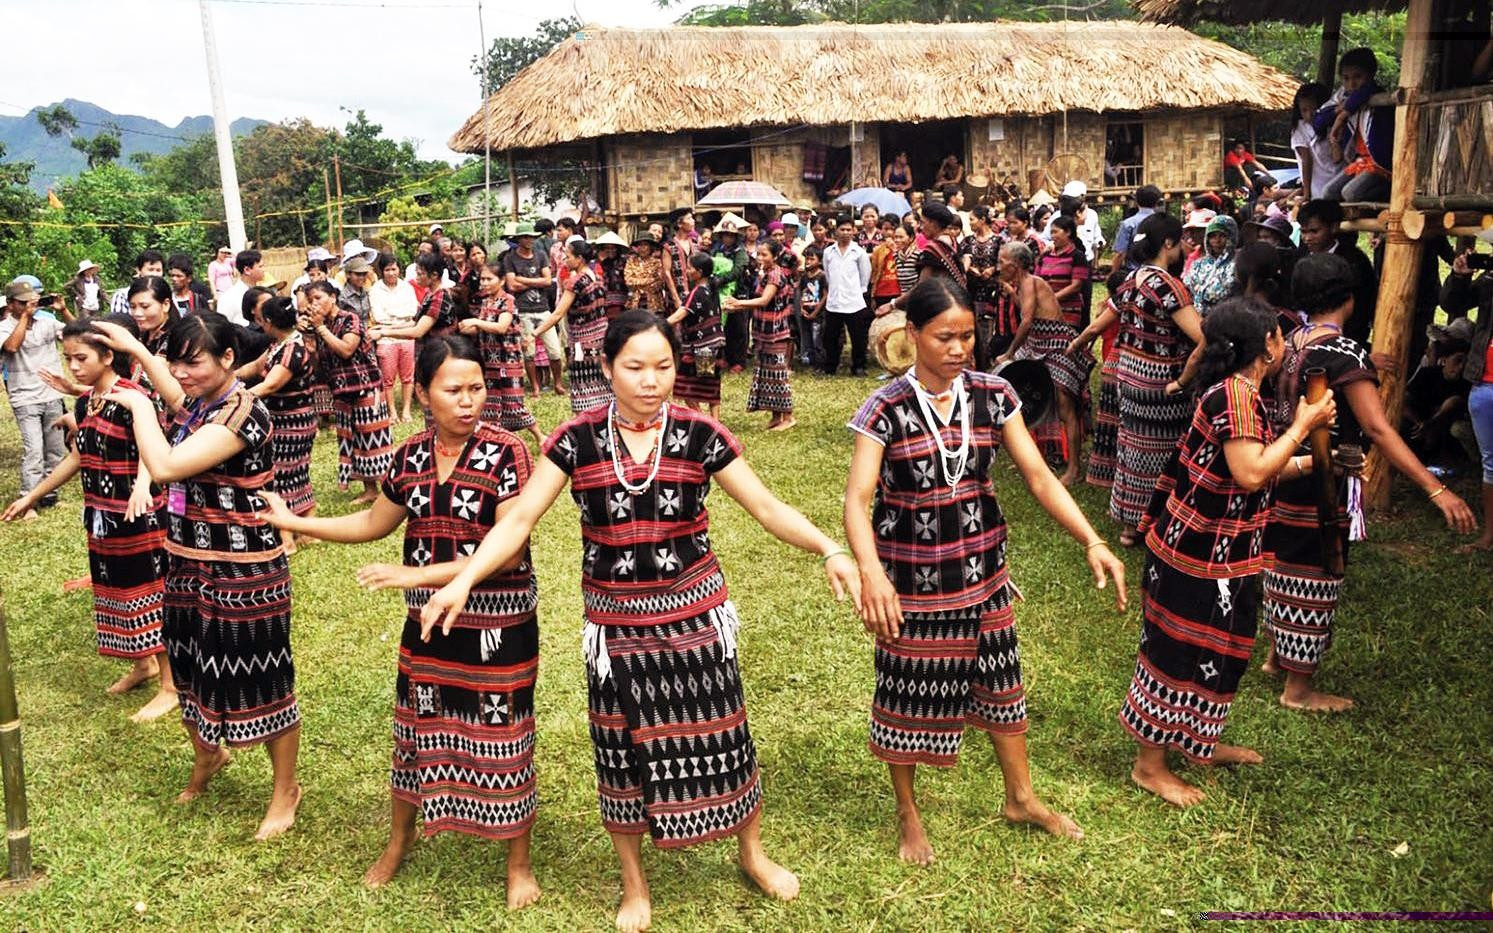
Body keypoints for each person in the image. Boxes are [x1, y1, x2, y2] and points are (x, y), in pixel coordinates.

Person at [420, 311, 859, 932]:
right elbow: (516, 523)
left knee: (725, 737)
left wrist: (829, 548)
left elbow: (764, 505)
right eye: (634, 367)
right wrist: (464, 577)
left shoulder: (702, 433)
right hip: (615, 626)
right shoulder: (574, 440)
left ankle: (753, 854)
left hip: (696, 613)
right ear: (606, 368)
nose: (651, 381)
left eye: (663, 367)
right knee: (619, 752)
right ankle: (634, 883)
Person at [844, 275, 1125, 860]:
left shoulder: (993, 393)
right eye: (944, 336)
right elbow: (858, 500)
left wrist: (1092, 539)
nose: (958, 348)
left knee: (1002, 686)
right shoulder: (885, 407)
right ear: (912, 333)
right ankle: (907, 810)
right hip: (911, 579)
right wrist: (871, 573)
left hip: (982, 570)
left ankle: (1020, 797)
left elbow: (1039, 475)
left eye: (967, 336)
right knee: (906, 692)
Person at [256, 336, 543, 905]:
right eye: (453, 389)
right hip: (430, 627)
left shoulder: (510, 452)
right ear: (425, 392)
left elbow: (508, 550)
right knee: (415, 730)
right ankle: (398, 840)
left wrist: (417, 576)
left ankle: (518, 862)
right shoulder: (410, 454)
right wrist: (298, 523)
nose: (468, 401)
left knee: (505, 735)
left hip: (498, 624)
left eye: (476, 388)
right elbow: (374, 521)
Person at [93, 312, 301, 841]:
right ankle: (209, 756)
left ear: (228, 360)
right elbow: (179, 401)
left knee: (262, 678)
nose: (180, 373)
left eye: (193, 362)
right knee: (188, 670)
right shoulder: (206, 402)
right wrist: (139, 354)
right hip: (186, 561)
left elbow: (163, 466)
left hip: (245, 573)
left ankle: (285, 790)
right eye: (175, 361)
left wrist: (137, 400)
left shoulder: (242, 414)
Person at [1121, 297, 1336, 807]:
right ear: (1267, 345)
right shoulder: (1236, 397)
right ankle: (1149, 766)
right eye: (1280, 335)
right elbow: (1252, 472)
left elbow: (1255, 464)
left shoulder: (1239, 393)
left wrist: (1311, 464)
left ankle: (1196, 742)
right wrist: (1303, 426)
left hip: (1217, 552)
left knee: (1218, 652)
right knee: (1178, 652)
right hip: (1196, 557)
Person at [1261, 254, 1476, 712]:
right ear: (1351, 298)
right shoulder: (1342, 351)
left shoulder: (1292, 339)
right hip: (1324, 474)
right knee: (1318, 571)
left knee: (1282, 562)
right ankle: (1298, 690)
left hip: (1283, 468)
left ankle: (1278, 657)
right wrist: (1436, 489)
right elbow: (1378, 428)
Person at [2, 313, 176, 720]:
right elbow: (79, 457)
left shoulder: (134, 396)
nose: (74, 366)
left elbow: (156, 446)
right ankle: (142, 663)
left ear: (108, 356)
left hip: (140, 514)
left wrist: (140, 484)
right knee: (116, 592)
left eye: (81, 358)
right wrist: (34, 494)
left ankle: (170, 684)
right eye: (69, 359)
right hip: (102, 515)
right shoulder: (87, 401)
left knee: (148, 593)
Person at [1068, 212, 1205, 546]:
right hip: (1162, 384)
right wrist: (1184, 381)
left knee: (1132, 452)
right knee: (1162, 455)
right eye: (1180, 242)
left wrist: (1074, 345)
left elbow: (1098, 324)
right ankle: (1158, 525)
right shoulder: (1169, 286)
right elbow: (1203, 337)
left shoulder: (1132, 280)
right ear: (1169, 243)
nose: (1185, 248)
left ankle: (1131, 527)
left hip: (1129, 381)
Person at [997, 242, 1091, 485]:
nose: (998, 266)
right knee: (1024, 395)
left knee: (1064, 406)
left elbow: (1027, 320)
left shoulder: (1032, 282)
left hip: (1056, 343)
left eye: (1001, 262)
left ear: (1015, 265)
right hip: (1038, 342)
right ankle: (1038, 456)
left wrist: (1009, 352)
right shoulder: (1025, 284)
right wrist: (1011, 292)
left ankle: (1073, 469)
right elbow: (1030, 311)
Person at [303, 280, 394, 504]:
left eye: (318, 298)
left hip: (365, 388)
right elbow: (320, 365)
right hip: (342, 391)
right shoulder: (321, 326)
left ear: (333, 297)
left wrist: (320, 329)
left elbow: (346, 350)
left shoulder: (350, 319)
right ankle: (370, 489)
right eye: (310, 300)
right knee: (353, 441)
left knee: (374, 440)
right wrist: (312, 348)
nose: (314, 304)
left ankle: (391, 490)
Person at [248, 297, 317, 549]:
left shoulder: (291, 350)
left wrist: (237, 397)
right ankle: (309, 531)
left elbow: (271, 384)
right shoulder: (280, 345)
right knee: (296, 474)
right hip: (291, 421)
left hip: (292, 423)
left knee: (280, 478)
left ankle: (287, 539)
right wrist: (228, 378)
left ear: (268, 322)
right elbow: (254, 368)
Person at [1440, 242, 1493, 552]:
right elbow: (1451, 304)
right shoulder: (1488, 281)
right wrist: (1459, 276)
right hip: (1484, 382)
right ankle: (1489, 537)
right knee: (1490, 465)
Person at [1, 280, 68, 513]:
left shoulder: (47, 322)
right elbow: (11, 347)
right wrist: (24, 318)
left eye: (32, 302)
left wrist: (64, 310)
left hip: (51, 393)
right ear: (10, 304)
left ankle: (49, 493)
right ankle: (27, 501)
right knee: (34, 451)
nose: (29, 307)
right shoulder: (4, 326)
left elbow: (78, 333)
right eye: (22, 303)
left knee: (56, 450)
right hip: (25, 397)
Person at [458, 261, 541, 445]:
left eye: (489, 279)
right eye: (482, 279)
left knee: (513, 404)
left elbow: (501, 327)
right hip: (489, 361)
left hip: (508, 360)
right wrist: (467, 328)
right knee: (491, 404)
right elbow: (484, 328)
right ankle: (496, 441)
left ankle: (539, 436)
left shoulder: (508, 300)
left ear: (502, 280)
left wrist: (476, 322)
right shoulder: (487, 301)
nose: (484, 283)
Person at [725, 241, 797, 431]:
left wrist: (738, 303)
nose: (760, 258)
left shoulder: (775, 274)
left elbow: (765, 300)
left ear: (775, 256)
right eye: (759, 254)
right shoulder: (765, 273)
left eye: (765, 255)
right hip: (764, 330)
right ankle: (776, 416)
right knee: (767, 373)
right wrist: (736, 306)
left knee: (778, 374)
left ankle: (788, 417)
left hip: (775, 330)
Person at [535, 239, 612, 415]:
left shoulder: (575, 282)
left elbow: (557, 314)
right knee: (603, 383)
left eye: (568, 256)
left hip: (582, 343)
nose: (564, 260)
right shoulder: (597, 278)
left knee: (583, 388)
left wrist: (535, 333)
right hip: (601, 339)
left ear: (579, 258)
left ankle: (585, 426)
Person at [1317, 48, 1393, 203]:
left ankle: (1390, 191)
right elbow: (1318, 121)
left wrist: (1344, 113)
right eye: (1346, 78)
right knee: (1328, 193)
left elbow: (1368, 89)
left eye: (1358, 77)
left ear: (1371, 74)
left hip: (1380, 164)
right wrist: (1339, 110)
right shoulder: (1344, 97)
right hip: (1360, 163)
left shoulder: (1376, 95)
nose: (1351, 83)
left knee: (1350, 194)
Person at [1296, 199, 1376, 345]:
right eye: (1303, 232)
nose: (1307, 238)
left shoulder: (1354, 261)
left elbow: (1362, 307)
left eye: (1314, 231)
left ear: (1334, 227)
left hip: (1346, 338)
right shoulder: (1299, 257)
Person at [502, 224, 563, 395]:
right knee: (528, 353)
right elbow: (512, 285)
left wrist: (523, 279)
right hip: (523, 309)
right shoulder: (510, 258)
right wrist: (536, 280)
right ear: (519, 239)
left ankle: (557, 383)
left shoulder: (540, 255)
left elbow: (548, 281)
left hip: (543, 308)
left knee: (555, 351)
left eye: (531, 237)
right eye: (526, 237)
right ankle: (535, 386)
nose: (529, 240)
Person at [667, 252, 726, 418]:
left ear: (699, 272)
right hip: (714, 344)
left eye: (690, 267)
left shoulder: (697, 292)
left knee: (684, 387)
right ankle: (714, 422)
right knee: (710, 388)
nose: (686, 270)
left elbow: (680, 315)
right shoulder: (711, 289)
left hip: (701, 347)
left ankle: (704, 421)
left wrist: (657, 325)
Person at [370, 253, 420, 423]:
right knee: (388, 378)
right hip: (386, 339)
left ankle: (406, 410)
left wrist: (393, 320)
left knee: (408, 376)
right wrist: (402, 321)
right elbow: (379, 316)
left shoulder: (406, 287)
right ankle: (391, 412)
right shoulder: (375, 289)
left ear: (399, 269)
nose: (391, 273)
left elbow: (412, 311)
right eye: (387, 269)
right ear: (381, 271)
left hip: (406, 336)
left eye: (394, 269)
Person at [820, 216, 873, 377]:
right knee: (831, 337)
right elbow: (828, 274)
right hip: (834, 302)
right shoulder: (829, 252)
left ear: (854, 231)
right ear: (836, 231)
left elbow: (865, 275)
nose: (845, 233)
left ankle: (858, 366)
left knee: (858, 338)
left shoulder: (859, 253)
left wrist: (858, 291)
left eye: (849, 229)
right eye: (842, 229)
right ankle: (830, 366)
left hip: (854, 301)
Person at [962, 205, 1002, 371]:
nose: (970, 223)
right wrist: (971, 269)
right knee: (972, 321)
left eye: (972, 219)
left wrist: (992, 269)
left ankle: (986, 356)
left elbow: (1002, 261)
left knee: (989, 323)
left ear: (982, 220)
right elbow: (962, 259)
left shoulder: (999, 241)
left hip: (991, 288)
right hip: (972, 288)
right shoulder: (968, 241)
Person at [1036, 214, 1091, 328]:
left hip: (1068, 312)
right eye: (1051, 233)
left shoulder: (1077, 256)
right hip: (1044, 311)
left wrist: (1052, 298)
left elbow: (1076, 286)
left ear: (1068, 232)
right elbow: (1036, 280)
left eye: (1056, 232)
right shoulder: (1045, 256)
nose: (1052, 236)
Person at [1291, 82, 1343, 200]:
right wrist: (1307, 193)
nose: (1309, 115)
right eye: (1304, 110)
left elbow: (1338, 158)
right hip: (1317, 188)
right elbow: (1306, 161)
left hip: (1337, 180)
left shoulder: (1334, 124)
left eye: (1314, 109)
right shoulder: (1300, 128)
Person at [1182, 216, 1239, 318]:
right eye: (1212, 236)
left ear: (1231, 236)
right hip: (1196, 321)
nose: (1217, 241)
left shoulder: (1237, 264)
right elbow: (1186, 290)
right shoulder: (1198, 265)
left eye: (1222, 236)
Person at [1110, 185, 1161, 275]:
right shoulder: (1163, 223)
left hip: (1134, 273)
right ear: (1157, 202)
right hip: (1157, 273)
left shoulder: (1128, 224)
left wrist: (1113, 274)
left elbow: (1120, 254)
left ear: (1136, 201)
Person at [110, 250, 166, 315]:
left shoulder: (166, 296)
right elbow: (117, 322)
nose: (155, 274)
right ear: (138, 270)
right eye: (151, 270)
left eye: (158, 270)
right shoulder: (122, 296)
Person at [624, 231, 668, 312]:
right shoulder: (631, 261)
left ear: (651, 247)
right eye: (640, 245)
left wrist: (639, 283)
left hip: (654, 302)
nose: (642, 248)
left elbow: (660, 282)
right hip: (635, 302)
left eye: (645, 245)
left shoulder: (657, 262)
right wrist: (649, 281)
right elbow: (629, 281)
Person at [661, 209, 696, 312]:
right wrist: (676, 298)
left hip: (694, 291)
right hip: (678, 292)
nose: (693, 221)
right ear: (680, 224)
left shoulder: (695, 243)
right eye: (689, 218)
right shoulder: (669, 246)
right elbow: (667, 273)